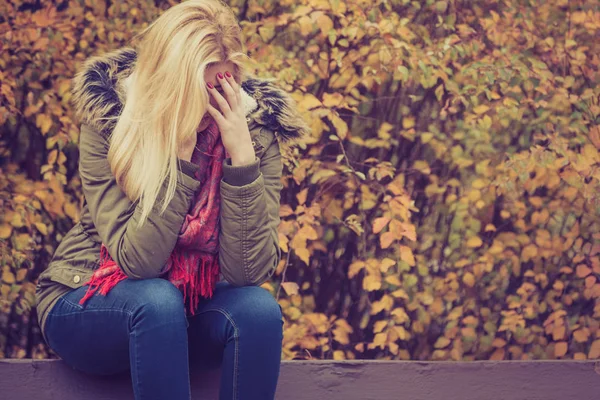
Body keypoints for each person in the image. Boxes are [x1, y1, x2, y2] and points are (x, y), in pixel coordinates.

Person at [34, 1, 309, 399]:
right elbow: (138, 261)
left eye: (224, 86)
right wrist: (180, 159)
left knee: (258, 311)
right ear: (173, 83)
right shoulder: (112, 120)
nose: (214, 103)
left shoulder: (253, 132)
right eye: (203, 89)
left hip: (186, 310)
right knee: (156, 300)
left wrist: (242, 160)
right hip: (90, 299)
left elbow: (249, 272)